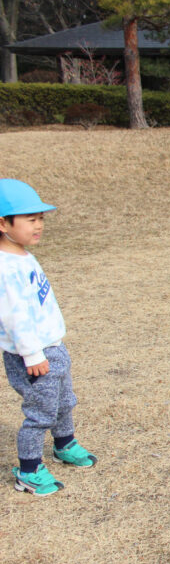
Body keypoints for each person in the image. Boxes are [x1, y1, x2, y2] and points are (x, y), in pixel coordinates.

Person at [0, 179, 95, 497]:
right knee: (40, 412)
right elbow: (16, 319)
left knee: (64, 401)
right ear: (2, 223)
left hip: (52, 348)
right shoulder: (6, 269)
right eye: (30, 220)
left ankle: (64, 444)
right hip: (33, 355)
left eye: (40, 218)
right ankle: (28, 471)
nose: (38, 225)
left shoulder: (22, 255)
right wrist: (32, 355)